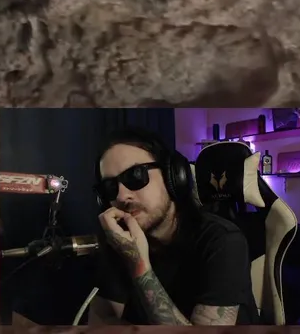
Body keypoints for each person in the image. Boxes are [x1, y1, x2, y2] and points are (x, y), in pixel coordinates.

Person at [88, 127, 257, 325]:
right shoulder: (120, 240)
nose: (122, 196)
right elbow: (101, 320)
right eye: (110, 187)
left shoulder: (223, 240)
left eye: (135, 175)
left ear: (173, 176)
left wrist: (138, 264)